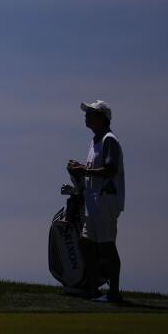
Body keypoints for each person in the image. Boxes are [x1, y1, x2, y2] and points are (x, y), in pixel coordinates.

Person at [68, 100, 125, 303]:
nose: (86, 116)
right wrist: (83, 167)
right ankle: (93, 288)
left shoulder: (109, 140)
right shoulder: (96, 141)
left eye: (90, 113)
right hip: (95, 200)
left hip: (105, 199)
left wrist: (84, 170)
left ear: (101, 117)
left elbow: (110, 168)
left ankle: (114, 292)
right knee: (86, 243)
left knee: (107, 246)